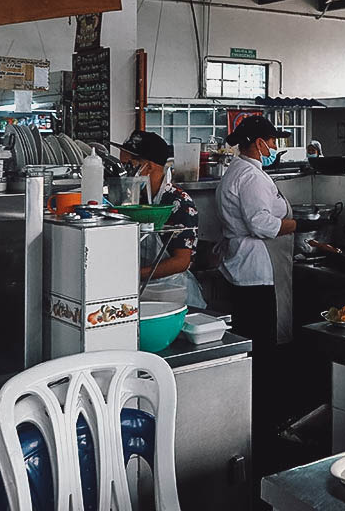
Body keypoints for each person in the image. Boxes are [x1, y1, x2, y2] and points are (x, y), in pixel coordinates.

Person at [215, 115, 296, 447]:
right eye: (272, 142)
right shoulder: (251, 177)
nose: (275, 148)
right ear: (257, 142)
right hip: (257, 272)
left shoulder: (236, 172)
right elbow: (262, 223)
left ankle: (253, 421)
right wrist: (295, 224)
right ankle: (265, 428)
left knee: (253, 347)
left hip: (242, 268)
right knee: (263, 351)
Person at [117, 130, 205, 308]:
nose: (123, 172)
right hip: (136, 289)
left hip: (172, 293)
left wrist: (135, 274)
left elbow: (181, 261)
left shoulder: (178, 202)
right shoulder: (130, 198)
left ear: (148, 167)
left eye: (128, 165)